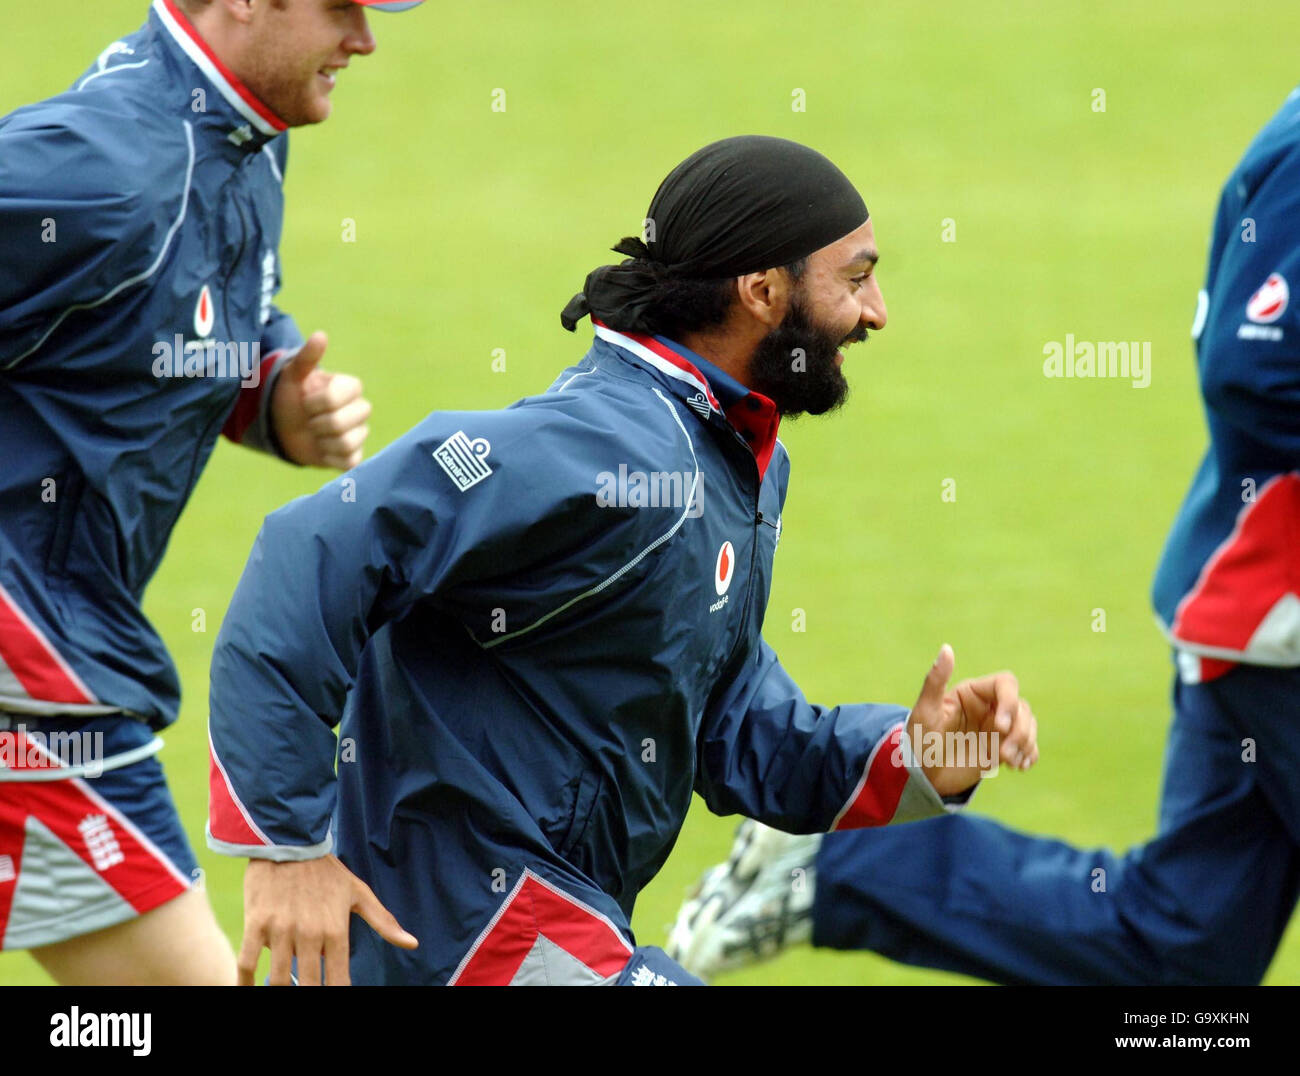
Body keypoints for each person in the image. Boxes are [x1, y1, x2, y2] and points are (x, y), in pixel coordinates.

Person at [206, 135, 1041, 986]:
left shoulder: (735, 455)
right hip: (468, 928)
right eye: (856, 279)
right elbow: (310, 550)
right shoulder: (606, 451)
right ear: (762, 291)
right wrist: (283, 847)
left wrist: (912, 756)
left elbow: (728, 718)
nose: (877, 313)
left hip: (545, 920)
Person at [669, 88, 1300, 987]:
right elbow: (1255, 364)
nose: (877, 310)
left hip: (1248, 607)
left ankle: (836, 866)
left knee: (1187, 952)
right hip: (1277, 612)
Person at [0, 0, 423, 985]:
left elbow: (158, 303)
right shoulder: (103, 166)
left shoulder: (241, 131)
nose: (364, 40)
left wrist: (269, 391)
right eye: (343, 9)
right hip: (37, 679)